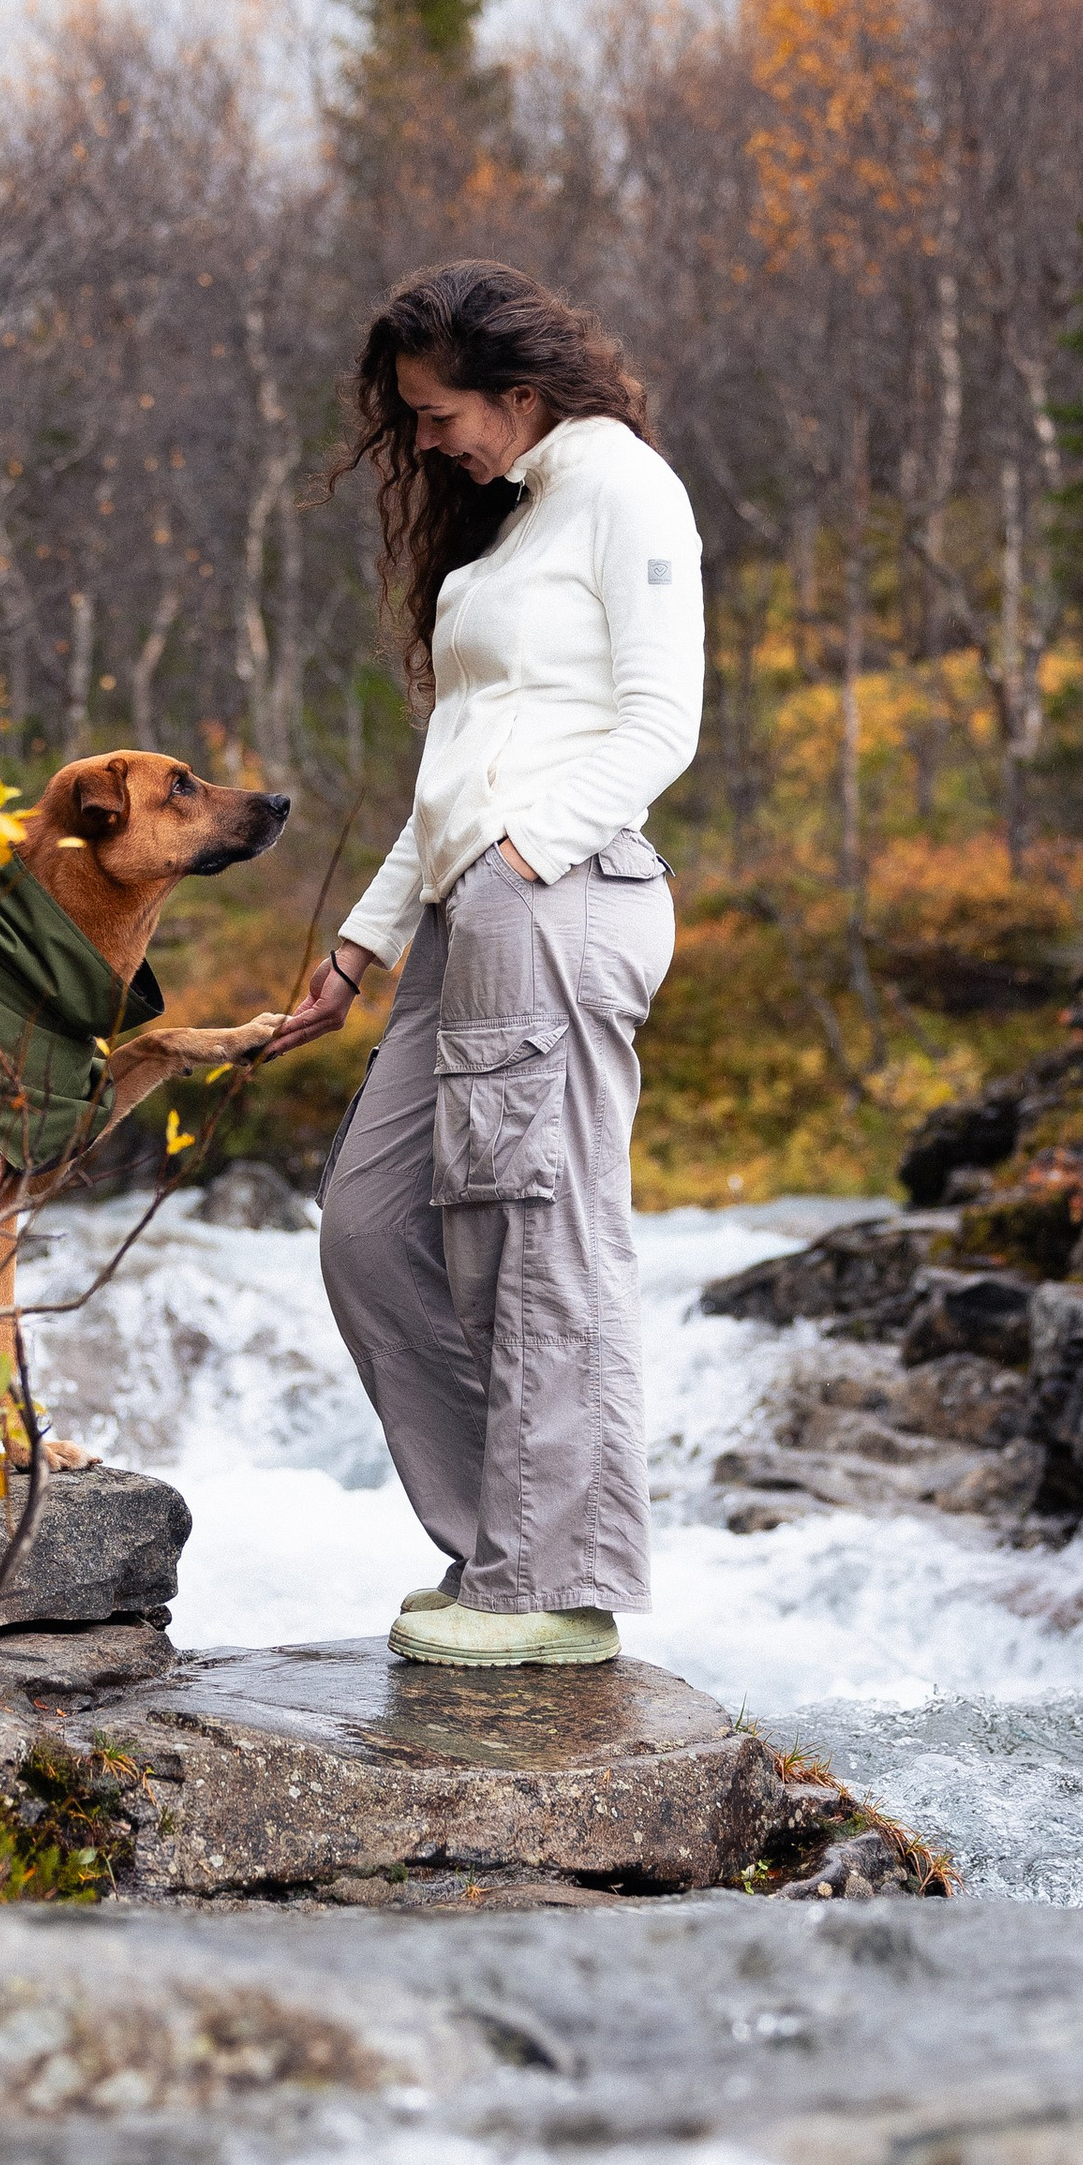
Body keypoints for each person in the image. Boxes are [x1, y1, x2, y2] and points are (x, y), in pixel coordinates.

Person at [272, 259, 703, 1665]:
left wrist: (528, 856)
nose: (425, 440)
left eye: (440, 411)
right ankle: (492, 1548)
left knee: (538, 1232)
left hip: (557, 894)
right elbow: (454, 766)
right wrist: (361, 943)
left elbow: (661, 722)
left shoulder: (623, 486)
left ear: (521, 391)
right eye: (410, 418)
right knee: (371, 1227)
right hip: (470, 906)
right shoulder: (514, 525)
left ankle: (553, 1589)